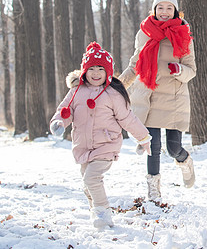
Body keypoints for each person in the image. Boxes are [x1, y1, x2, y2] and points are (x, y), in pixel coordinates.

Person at [50, 42, 151, 229]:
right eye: (92, 69)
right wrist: (59, 123)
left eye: (100, 69)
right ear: (84, 71)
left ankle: (104, 213)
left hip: (107, 144)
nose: (96, 73)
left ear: (108, 72)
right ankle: (95, 210)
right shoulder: (75, 92)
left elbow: (127, 118)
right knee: (87, 183)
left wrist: (143, 137)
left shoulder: (113, 94)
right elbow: (65, 111)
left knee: (91, 179)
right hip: (83, 145)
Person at [119, 0, 196, 205]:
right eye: (160, 8)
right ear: (154, 10)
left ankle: (185, 161)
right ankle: (154, 189)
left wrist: (179, 70)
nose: (164, 12)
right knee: (152, 147)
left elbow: (191, 70)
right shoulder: (143, 34)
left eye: (168, 8)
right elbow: (135, 64)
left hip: (173, 98)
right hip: (149, 97)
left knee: (173, 148)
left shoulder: (184, 35)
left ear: (175, 11)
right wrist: (119, 84)